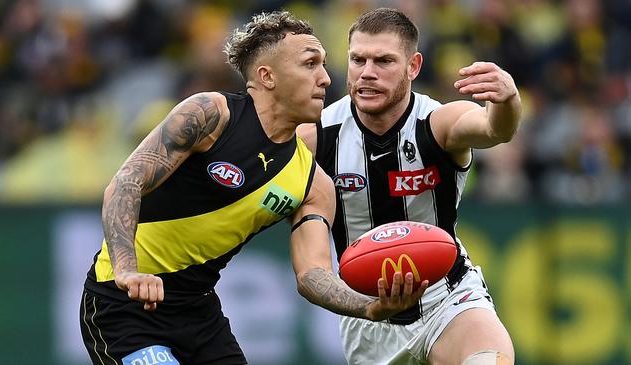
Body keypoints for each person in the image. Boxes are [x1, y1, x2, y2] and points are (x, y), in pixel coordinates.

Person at [79, 10, 425, 365]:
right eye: (310, 64)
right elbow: (126, 184)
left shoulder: (313, 183)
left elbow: (312, 274)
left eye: (324, 65)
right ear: (267, 76)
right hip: (123, 306)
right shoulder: (210, 116)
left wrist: (372, 307)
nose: (325, 78)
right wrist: (127, 270)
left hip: (198, 316)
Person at [297, 7, 521, 365]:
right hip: (369, 316)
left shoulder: (437, 122)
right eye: (358, 59)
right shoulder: (314, 137)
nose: (367, 73)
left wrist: (507, 100)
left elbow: (496, 129)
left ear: (413, 66)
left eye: (383, 60)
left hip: (446, 297)